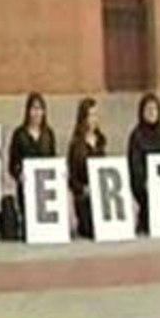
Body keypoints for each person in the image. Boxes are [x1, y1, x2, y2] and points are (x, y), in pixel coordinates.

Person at [126, 93, 160, 235]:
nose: (152, 113)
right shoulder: (137, 135)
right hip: (144, 181)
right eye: (148, 109)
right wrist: (144, 180)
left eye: (155, 109)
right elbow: (134, 162)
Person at [7, 92, 57, 225]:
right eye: (34, 109)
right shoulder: (19, 134)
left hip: (44, 187)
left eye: (40, 109)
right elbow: (12, 163)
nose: (37, 113)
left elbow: (53, 159)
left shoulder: (48, 134)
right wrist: (19, 175)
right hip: (26, 186)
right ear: (28, 111)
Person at [67, 97, 106, 240]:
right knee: (89, 230)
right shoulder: (76, 145)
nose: (94, 119)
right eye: (90, 115)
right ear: (83, 118)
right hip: (84, 196)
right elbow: (72, 177)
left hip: (100, 195)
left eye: (96, 115)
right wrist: (83, 188)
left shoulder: (101, 141)